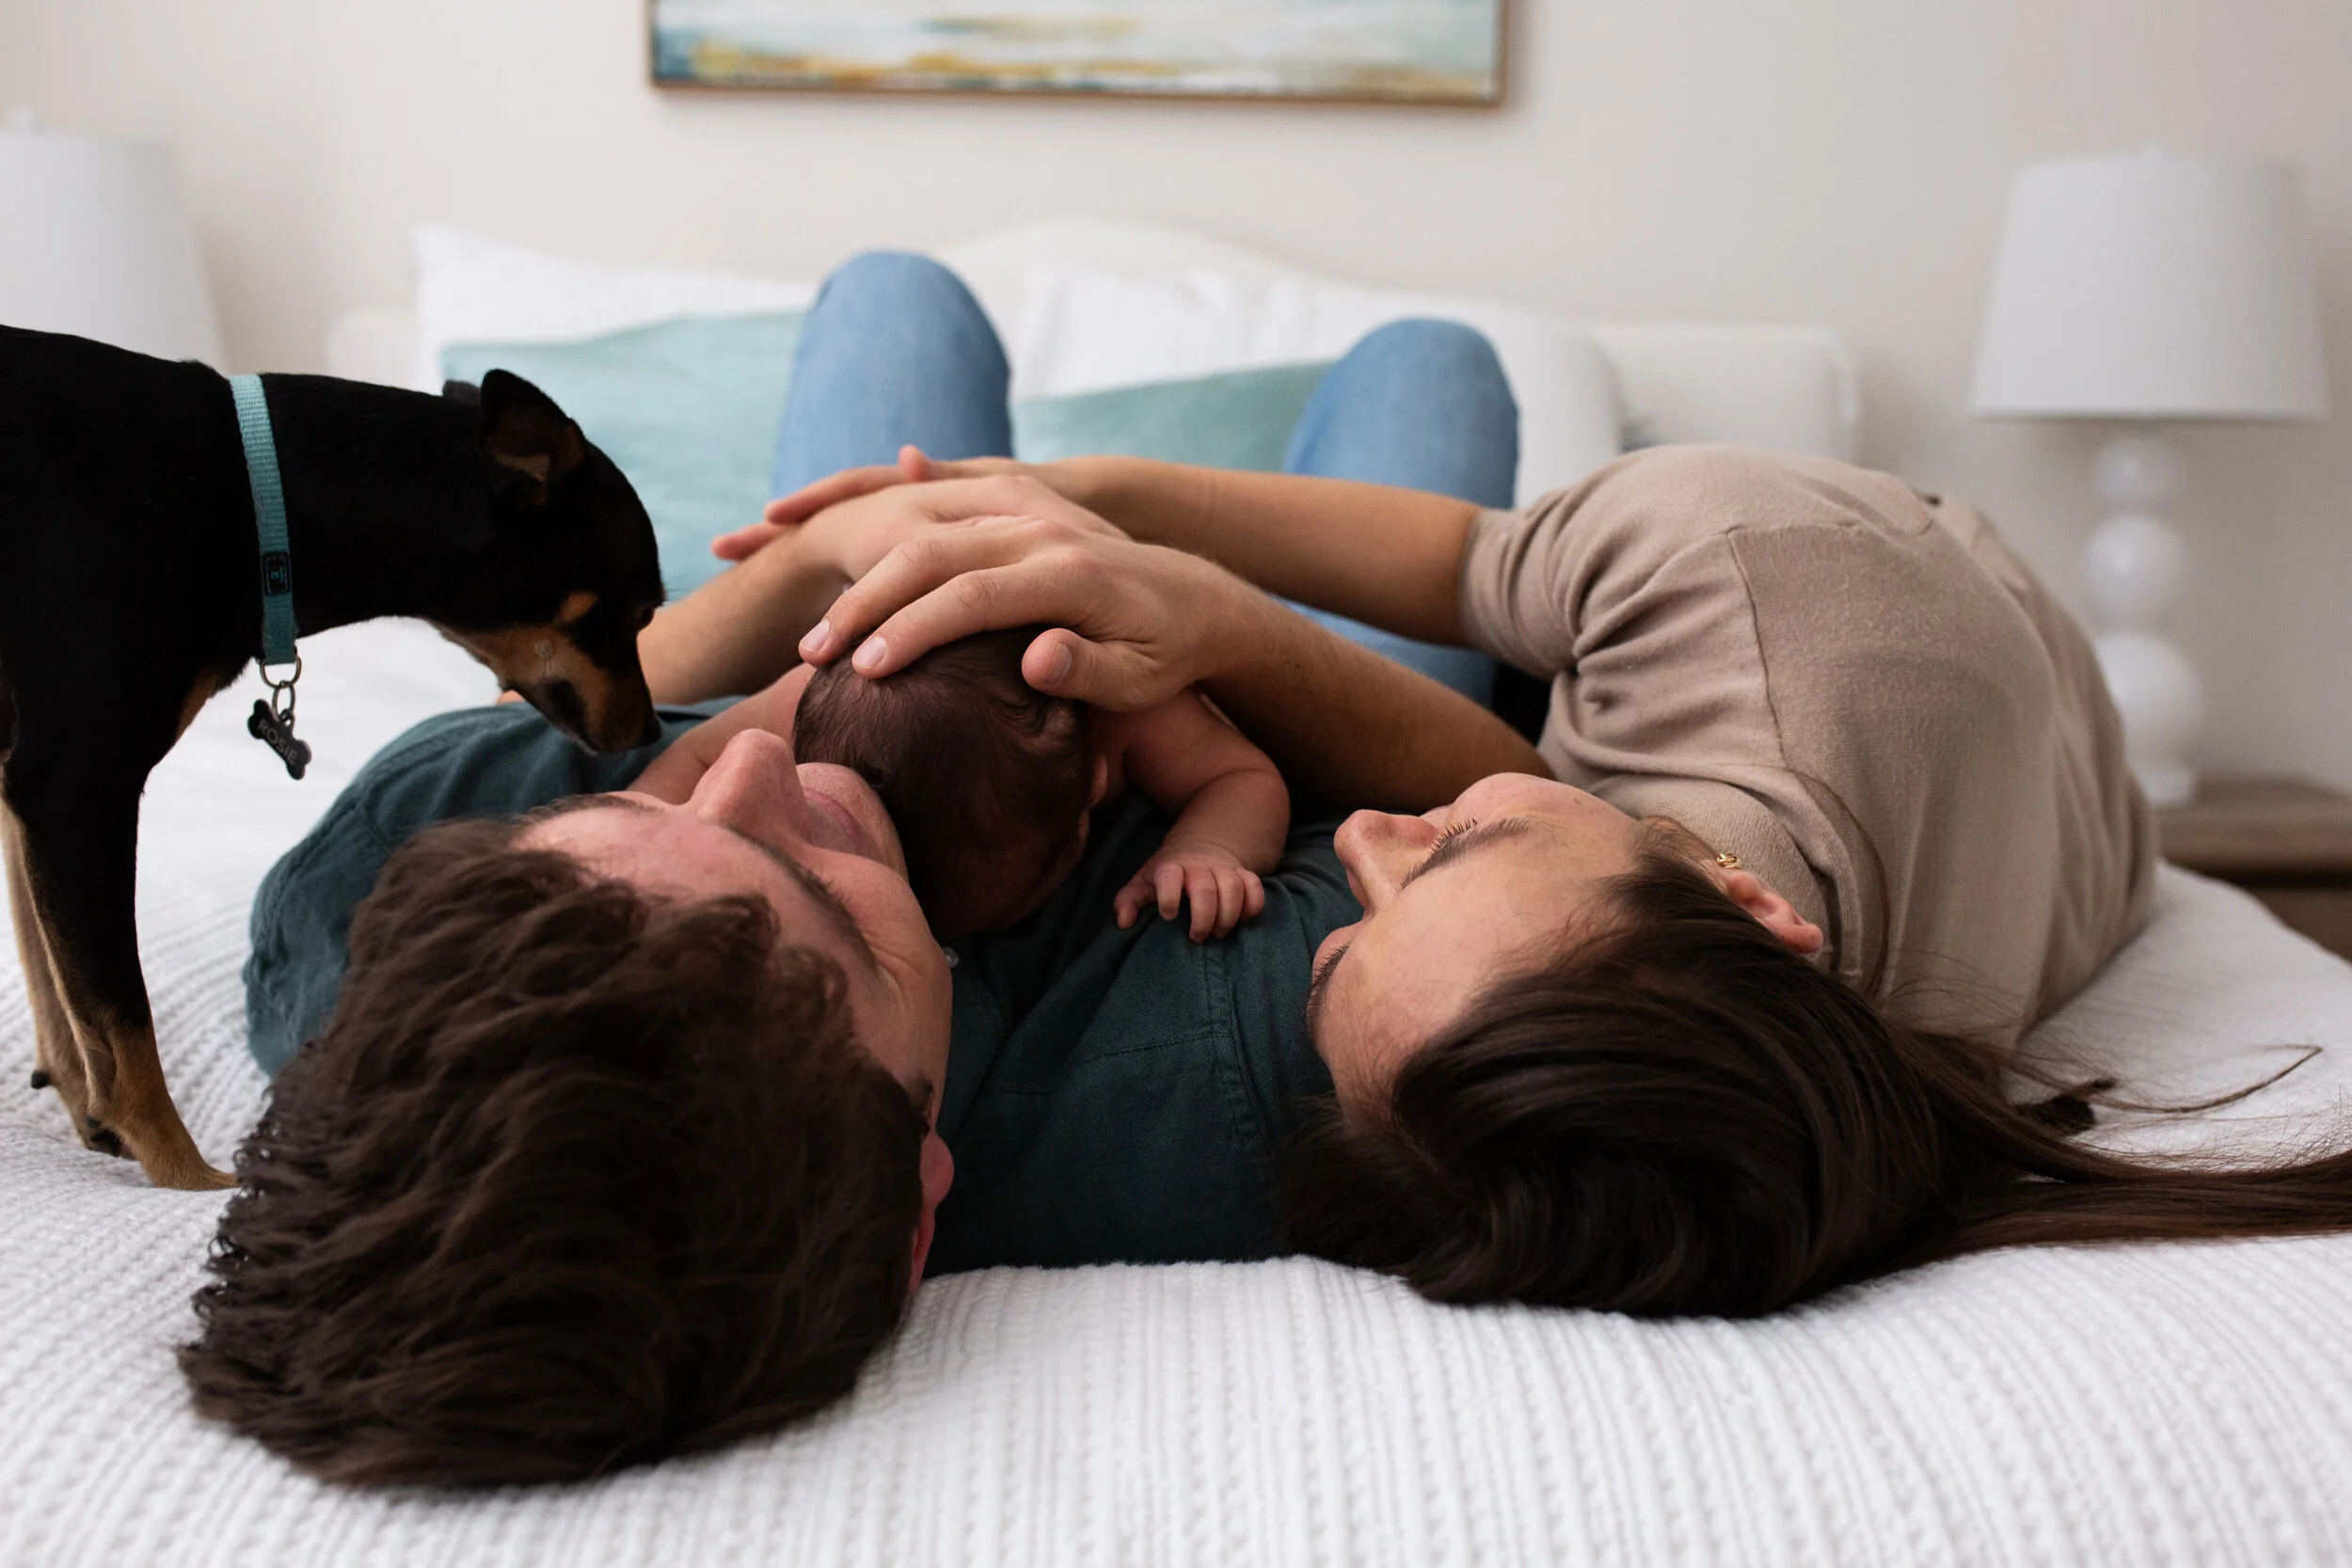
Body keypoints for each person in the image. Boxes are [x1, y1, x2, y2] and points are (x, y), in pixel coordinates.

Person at [188, 253, 2352, 1486]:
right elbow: (1510, 806)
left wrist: (824, 583)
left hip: (853, 626)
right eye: (844, 892)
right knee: (1430, 369)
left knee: (889, 307)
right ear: (929, 1186)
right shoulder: (1260, 1070)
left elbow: (661, 717)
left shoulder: (384, 916)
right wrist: (1197, 630)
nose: (747, 784)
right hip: (1218, 697)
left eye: (641, 817)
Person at [743, 623, 1291, 942]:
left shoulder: (1131, 706)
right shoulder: (818, 703)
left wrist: (1211, 846)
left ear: (1093, 788)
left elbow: (1241, 775)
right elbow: (694, 755)